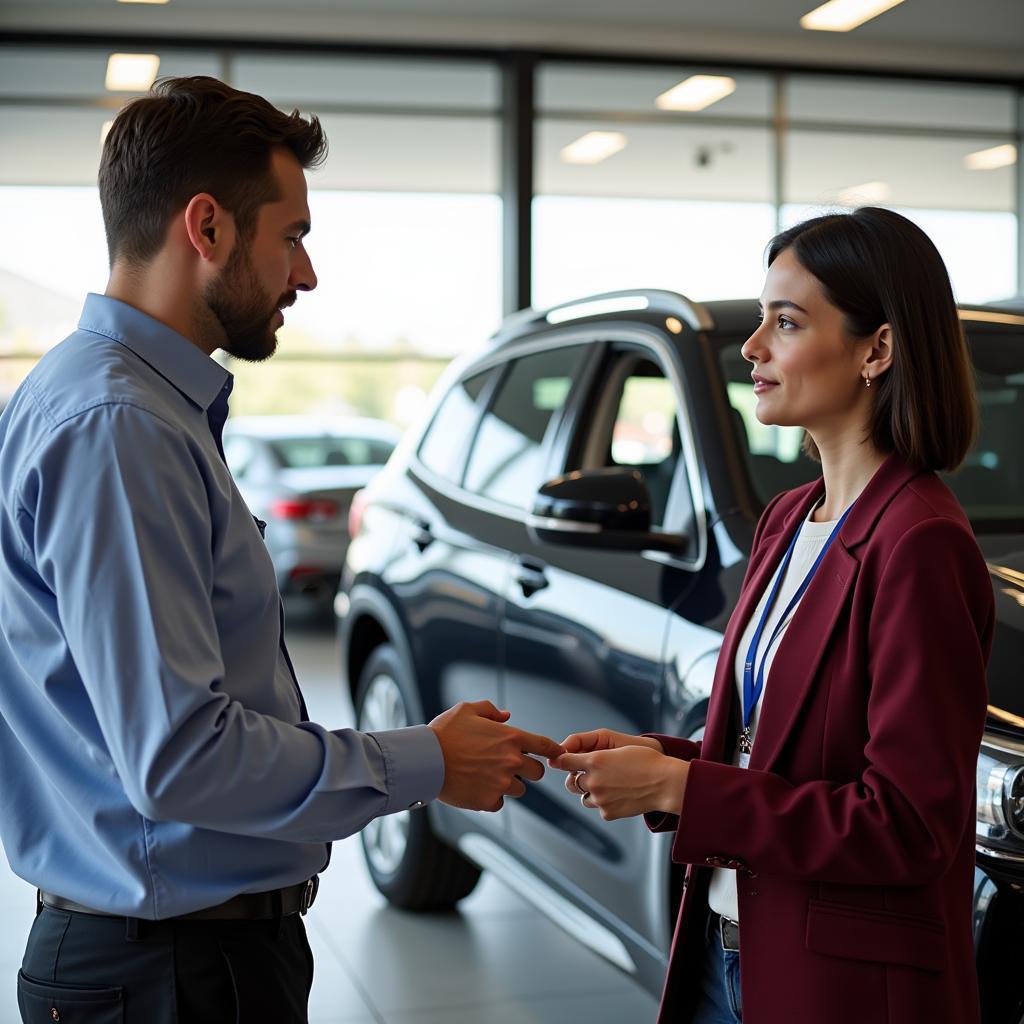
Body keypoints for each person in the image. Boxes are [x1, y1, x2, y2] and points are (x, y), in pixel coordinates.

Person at [0, 76, 562, 1024]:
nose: (307, 274)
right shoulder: (119, 427)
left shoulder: (125, 404)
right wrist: (424, 761)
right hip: (168, 974)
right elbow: (180, 757)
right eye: (293, 234)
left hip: (179, 956)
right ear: (207, 227)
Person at [553, 207, 994, 1024]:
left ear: (879, 350)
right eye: (760, 320)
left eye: (784, 323)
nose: (752, 348)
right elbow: (784, 751)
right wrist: (665, 760)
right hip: (730, 948)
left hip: (839, 984)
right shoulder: (790, 518)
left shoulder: (920, 542)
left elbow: (907, 826)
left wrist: (689, 788)